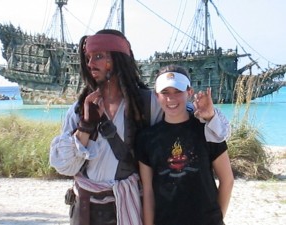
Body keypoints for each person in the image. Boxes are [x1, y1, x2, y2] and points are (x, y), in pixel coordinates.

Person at [49, 29, 231, 225]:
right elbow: (64, 166)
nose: (91, 64)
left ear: (118, 60)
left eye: (99, 57)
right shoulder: (79, 109)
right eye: (88, 58)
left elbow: (210, 126)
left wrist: (209, 114)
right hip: (87, 211)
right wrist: (85, 126)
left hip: (130, 208)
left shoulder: (147, 103)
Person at [135, 65, 234, 225]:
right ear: (156, 95)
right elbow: (148, 191)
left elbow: (227, 180)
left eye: (178, 91)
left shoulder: (209, 129)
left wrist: (216, 218)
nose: (171, 99)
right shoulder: (146, 138)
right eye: (165, 93)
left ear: (189, 92)